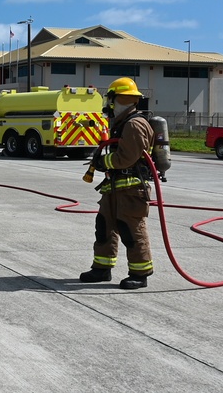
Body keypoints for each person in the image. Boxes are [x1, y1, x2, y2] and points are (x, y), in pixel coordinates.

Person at [80, 77, 155, 290]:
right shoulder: (123, 123)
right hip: (115, 187)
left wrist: (102, 162)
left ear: (119, 99)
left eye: (111, 99)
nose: (109, 104)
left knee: (131, 230)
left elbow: (126, 158)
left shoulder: (134, 125)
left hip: (131, 189)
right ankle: (102, 268)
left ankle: (140, 273)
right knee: (104, 227)